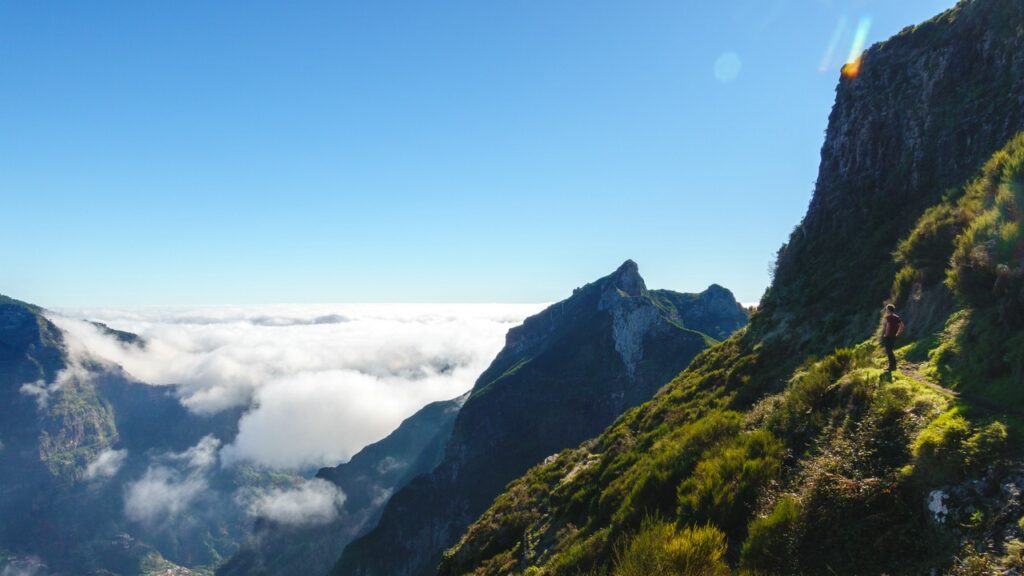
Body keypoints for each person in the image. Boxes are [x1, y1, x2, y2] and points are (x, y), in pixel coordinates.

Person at [881, 304, 905, 371]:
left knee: (889, 352)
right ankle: (893, 366)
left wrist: (886, 334)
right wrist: (897, 333)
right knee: (890, 351)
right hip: (893, 336)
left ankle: (891, 367)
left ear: (889, 310)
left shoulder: (889, 317)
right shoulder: (896, 317)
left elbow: (888, 326)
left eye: (886, 309)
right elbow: (902, 326)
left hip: (889, 336)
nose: (886, 310)